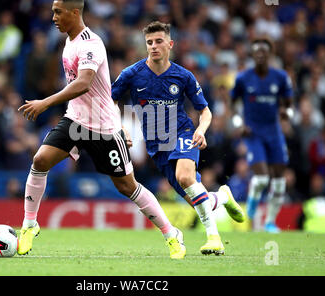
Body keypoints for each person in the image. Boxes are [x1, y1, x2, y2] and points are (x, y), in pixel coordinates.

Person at [16, 0, 185, 259]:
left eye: (58, 12)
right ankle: (29, 225)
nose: (53, 18)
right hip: (76, 121)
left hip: (103, 128)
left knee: (127, 187)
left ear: (74, 13)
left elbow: (84, 84)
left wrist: (45, 103)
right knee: (40, 160)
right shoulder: (68, 42)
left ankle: (171, 233)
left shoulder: (91, 44)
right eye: (52, 11)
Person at [111, 21, 245, 256]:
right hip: (157, 147)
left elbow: (205, 111)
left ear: (170, 44)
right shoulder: (131, 74)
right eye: (149, 42)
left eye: (159, 41)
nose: (153, 46)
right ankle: (222, 197)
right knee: (196, 196)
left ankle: (214, 239)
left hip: (183, 134)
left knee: (186, 177)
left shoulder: (183, 76)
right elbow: (110, 101)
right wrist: (119, 127)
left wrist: (201, 130)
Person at [230, 37, 294, 233]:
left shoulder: (281, 77)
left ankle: (270, 222)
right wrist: (239, 124)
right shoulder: (243, 78)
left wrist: (287, 114)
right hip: (253, 133)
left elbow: (289, 106)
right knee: (263, 179)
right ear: (252, 54)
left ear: (270, 54)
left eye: (263, 51)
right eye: (256, 51)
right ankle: (251, 204)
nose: (259, 55)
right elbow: (233, 106)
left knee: (280, 182)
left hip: (274, 133)